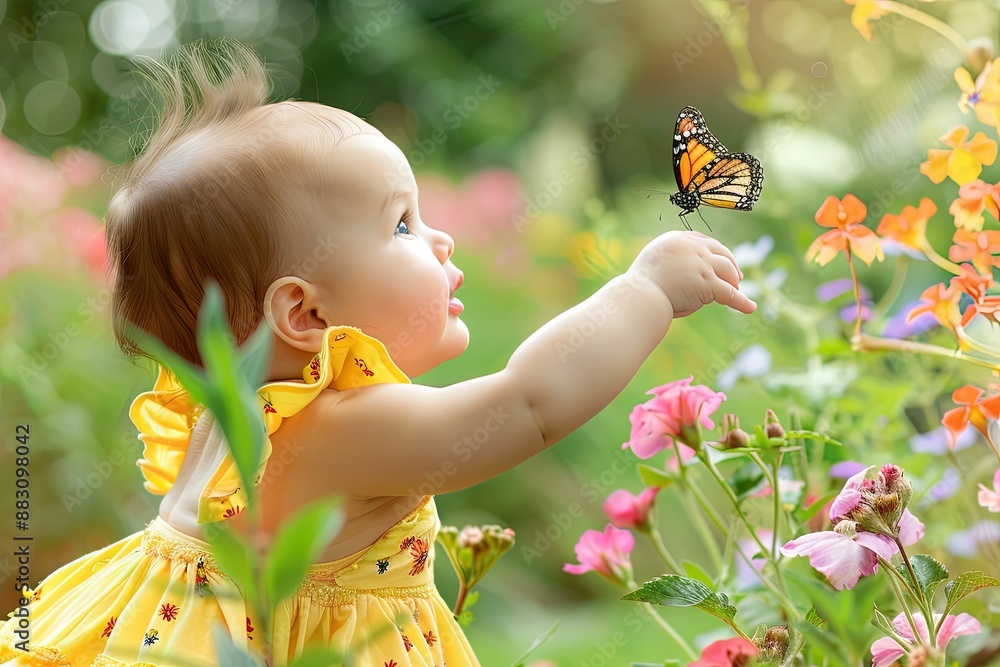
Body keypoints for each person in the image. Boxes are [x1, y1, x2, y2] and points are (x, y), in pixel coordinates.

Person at [0, 38, 756, 667]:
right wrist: (645, 289)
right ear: (303, 311)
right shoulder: (339, 429)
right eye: (402, 225)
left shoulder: (238, 413)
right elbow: (530, 402)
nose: (441, 239)